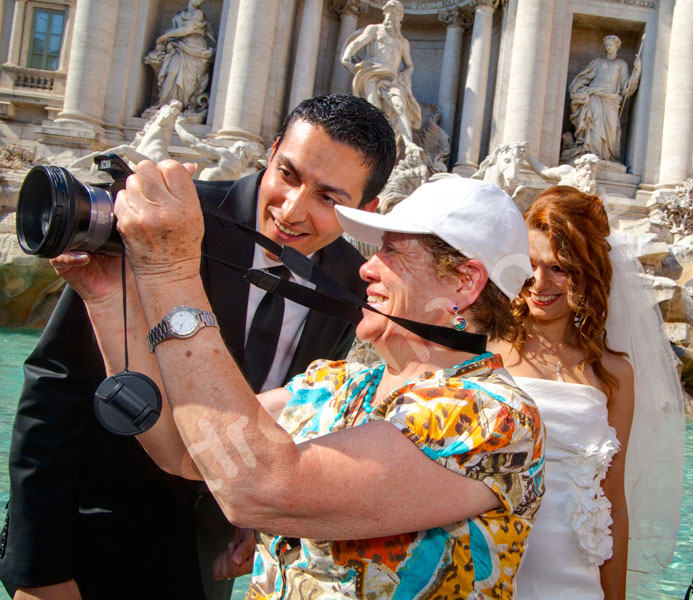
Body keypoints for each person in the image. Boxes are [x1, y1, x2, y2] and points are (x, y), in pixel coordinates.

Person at [53, 175, 543, 598]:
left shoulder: (493, 415)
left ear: (464, 283)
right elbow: (186, 450)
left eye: (391, 252)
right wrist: (105, 296)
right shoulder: (336, 382)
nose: (366, 268)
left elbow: (262, 488)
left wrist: (170, 272)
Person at [0, 94, 396, 600]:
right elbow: (56, 386)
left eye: (328, 199)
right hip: (87, 538)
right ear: (271, 151)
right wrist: (37, 568)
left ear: (366, 210)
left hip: (206, 555)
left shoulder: (350, 281)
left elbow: (294, 411)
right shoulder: (166, 214)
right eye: (288, 175)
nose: (291, 211)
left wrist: (258, 518)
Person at [492, 185, 684, 599]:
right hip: (490, 558)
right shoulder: (486, 351)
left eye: (560, 268)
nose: (539, 282)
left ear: (587, 274)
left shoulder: (614, 373)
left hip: (574, 569)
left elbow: (613, 497)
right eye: (530, 264)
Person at [341, 0, 422, 154]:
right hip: (372, 73)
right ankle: (372, 147)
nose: (392, 15)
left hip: (392, 78)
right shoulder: (375, 30)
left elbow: (409, 65)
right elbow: (358, 42)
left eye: (396, 13)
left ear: (400, 17)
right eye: (390, 11)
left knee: (399, 106)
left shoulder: (402, 42)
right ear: (384, 13)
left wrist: (404, 75)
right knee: (375, 110)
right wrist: (347, 56)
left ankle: (409, 144)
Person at [569, 34, 640, 162]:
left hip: (611, 100)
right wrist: (577, 88)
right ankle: (591, 154)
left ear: (617, 46)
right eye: (606, 45)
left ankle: (606, 156)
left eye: (611, 45)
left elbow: (626, 87)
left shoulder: (621, 64)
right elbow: (585, 78)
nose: (608, 48)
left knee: (611, 130)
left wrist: (637, 70)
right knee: (594, 125)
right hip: (595, 96)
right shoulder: (598, 63)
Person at [144, 0, 216, 115]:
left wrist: (166, 36)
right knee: (172, 72)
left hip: (195, 49)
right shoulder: (180, 14)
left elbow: (187, 29)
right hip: (179, 47)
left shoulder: (198, 14)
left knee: (189, 79)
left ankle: (181, 105)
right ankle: (164, 103)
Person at [174, 118, 260, 181]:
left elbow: (195, 144)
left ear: (239, 149)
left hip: (202, 188)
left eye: (233, 146)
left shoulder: (226, 155)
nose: (230, 147)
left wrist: (178, 127)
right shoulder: (237, 173)